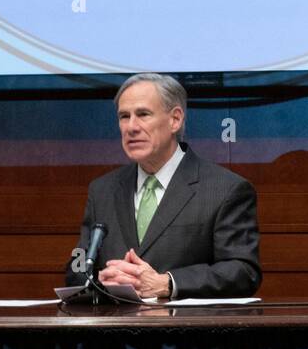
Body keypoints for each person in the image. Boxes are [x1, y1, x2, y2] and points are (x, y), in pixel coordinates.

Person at [64, 73, 261, 299]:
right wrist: (100, 279)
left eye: (143, 114)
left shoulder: (225, 189)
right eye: (124, 116)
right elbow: (76, 266)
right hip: (114, 328)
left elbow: (243, 271)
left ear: (175, 120)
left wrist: (168, 283)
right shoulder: (102, 190)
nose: (131, 127)